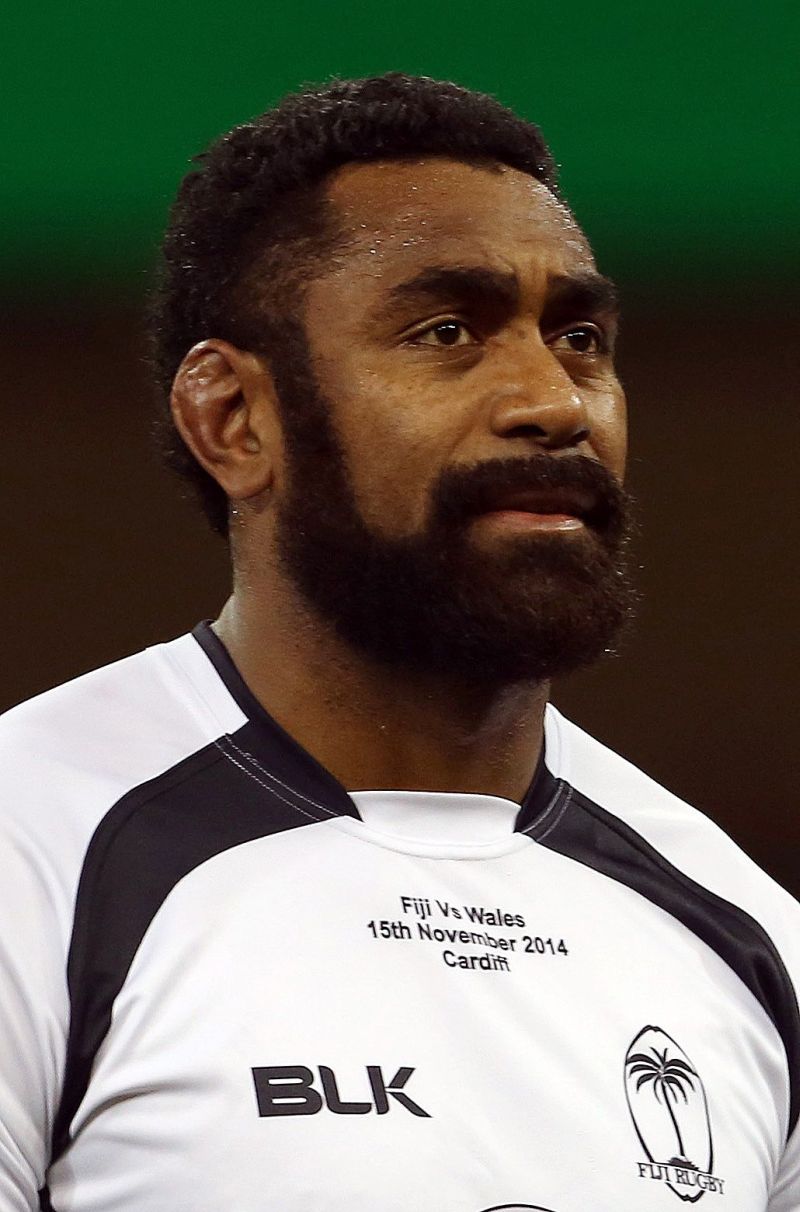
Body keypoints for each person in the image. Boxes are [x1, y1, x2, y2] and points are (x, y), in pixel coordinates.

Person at [0, 73, 797, 1212]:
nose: (552, 400)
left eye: (577, 336)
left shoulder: (748, 936)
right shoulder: (29, 850)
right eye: (445, 332)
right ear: (234, 420)